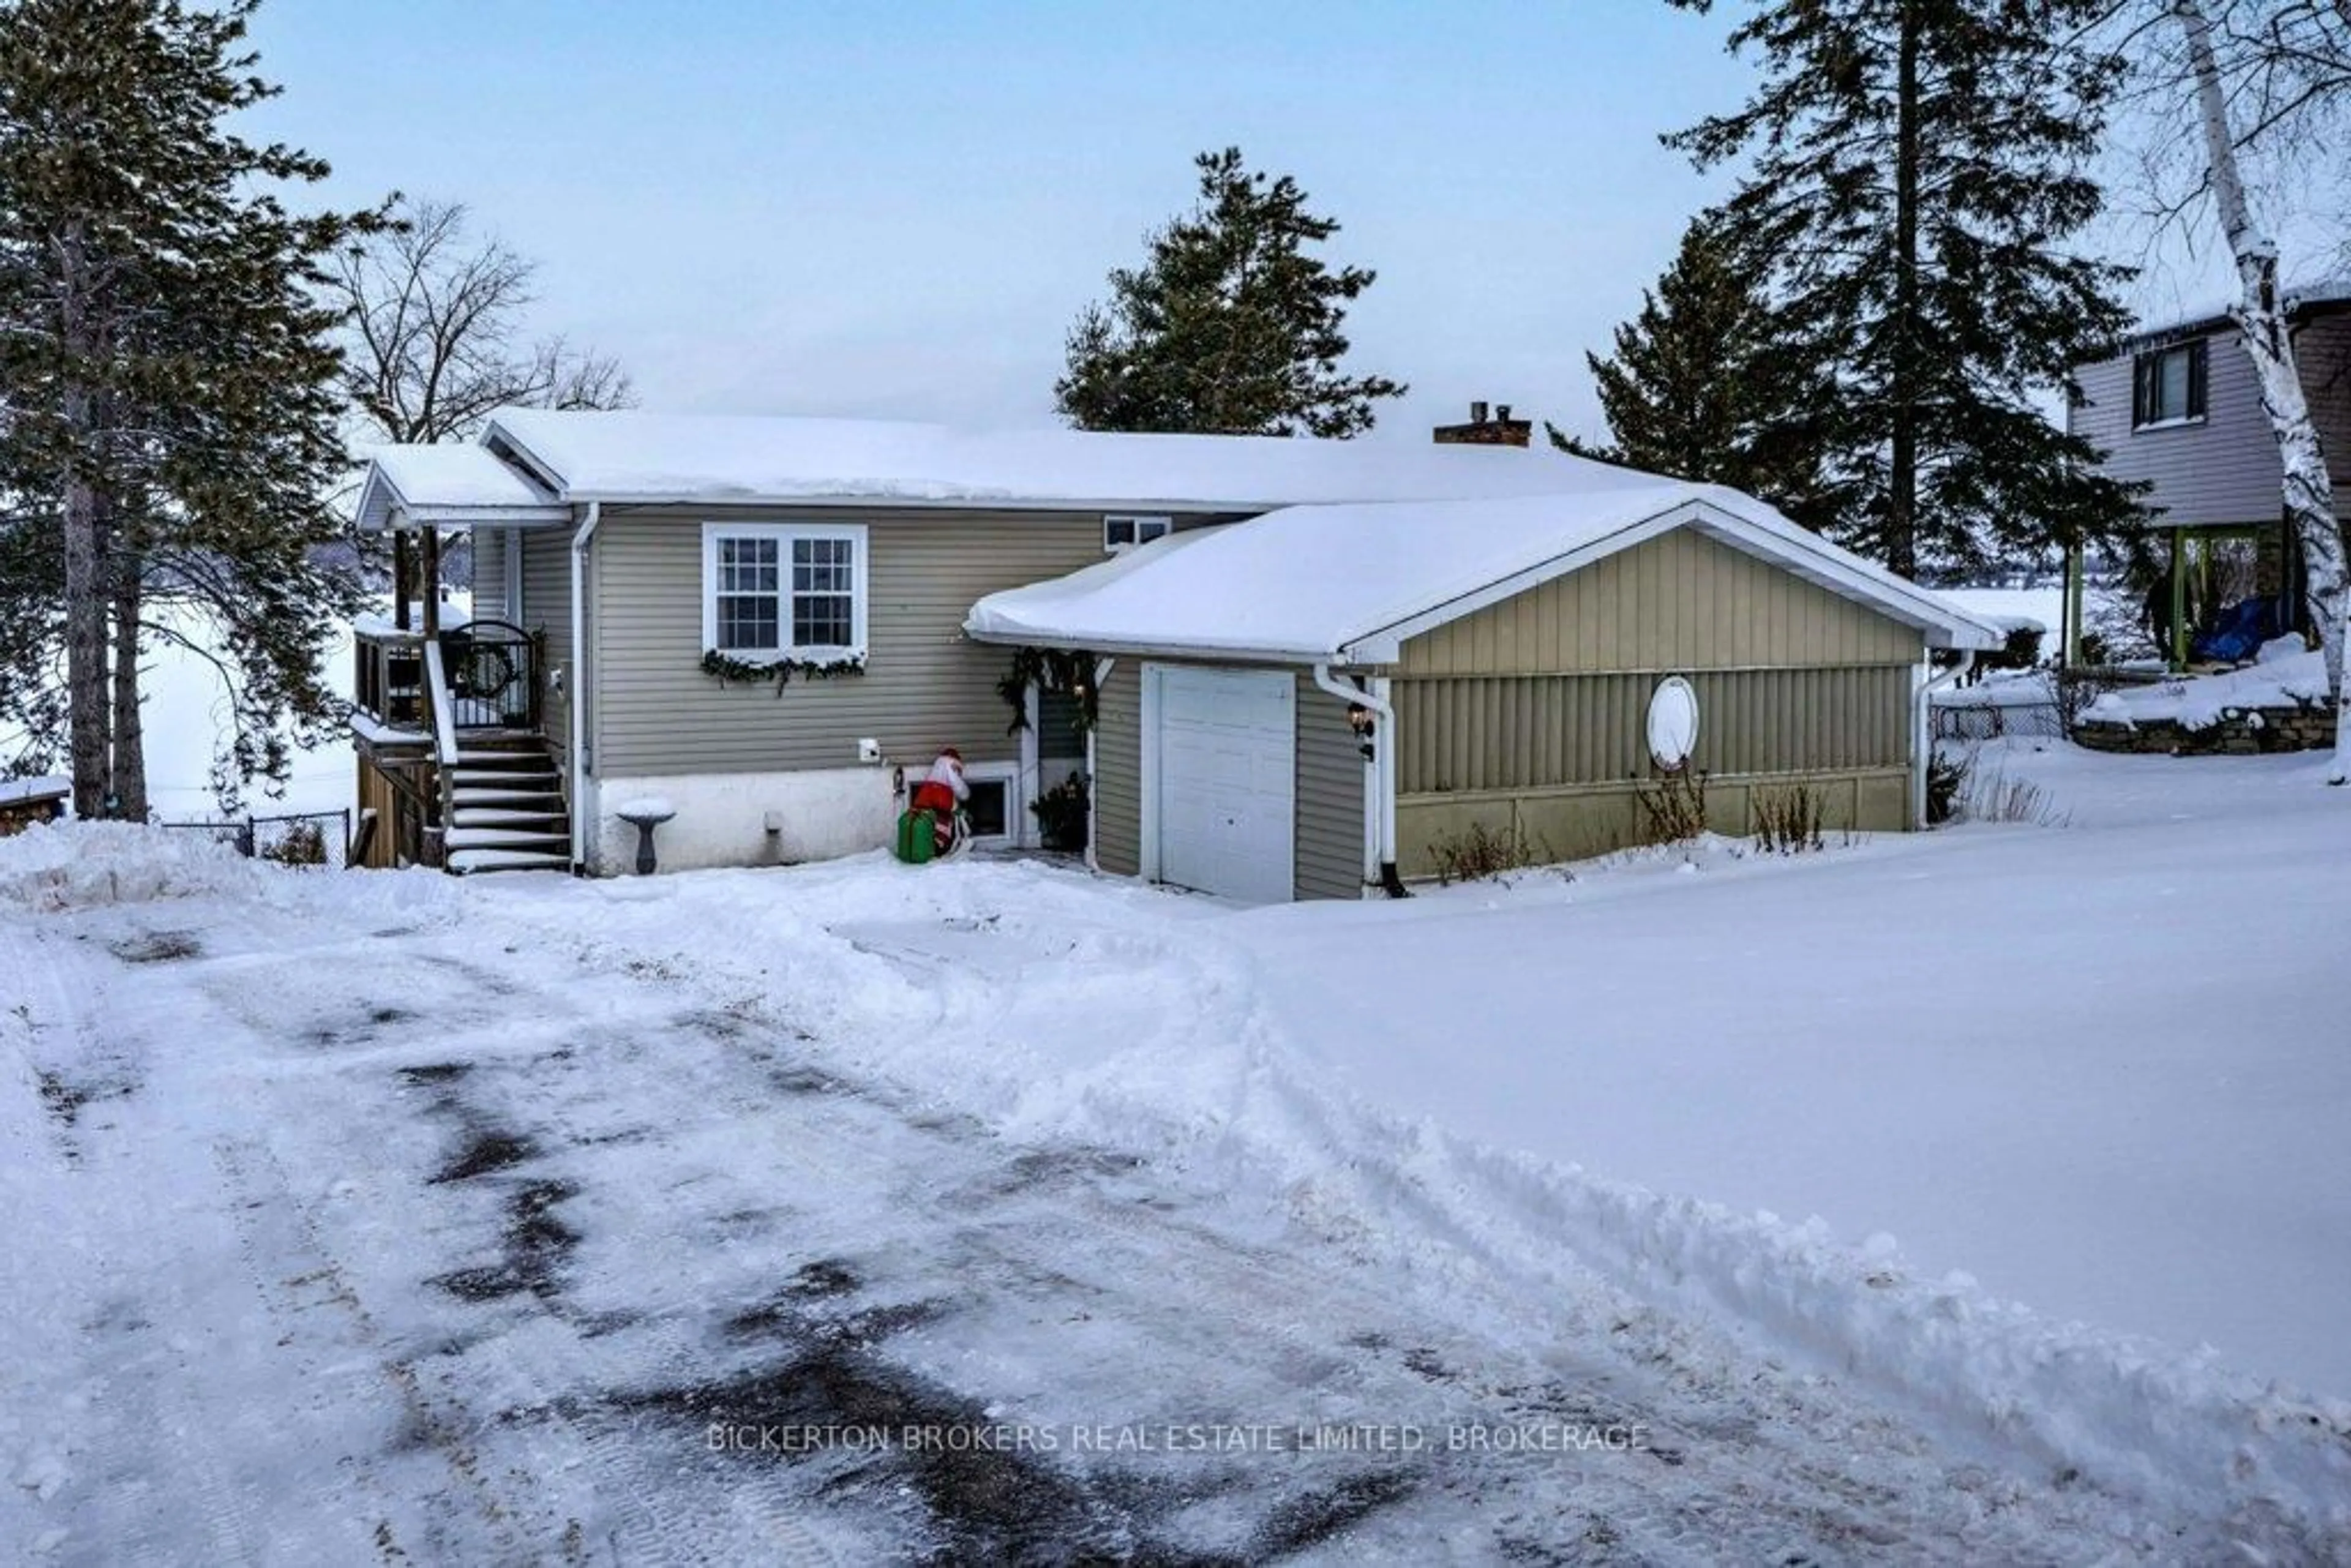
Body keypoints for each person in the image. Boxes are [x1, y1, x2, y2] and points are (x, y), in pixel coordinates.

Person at [909, 746, 969, 853]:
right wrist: (965, 795)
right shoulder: (952, 764)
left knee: (929, 824)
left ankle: (924, 847)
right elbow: (957, 786)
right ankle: (939, 848)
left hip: (925, 798)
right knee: (943, 825)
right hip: (940, 800)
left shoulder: (938, 764)